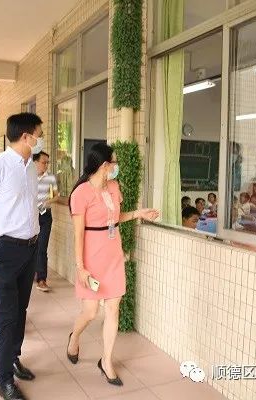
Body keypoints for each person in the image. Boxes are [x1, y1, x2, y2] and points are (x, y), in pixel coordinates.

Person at [66, 143, 158, 388]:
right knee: (90, 312)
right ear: (105, 165)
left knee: (113, 309)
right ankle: (74, 337)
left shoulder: (114, 186)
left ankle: (106, 361)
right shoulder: (81, 193)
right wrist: (80, 267)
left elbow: (115, 219)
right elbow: (78, 234)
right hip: (91, 257)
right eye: (114, 162)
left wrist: (138, 213)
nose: (116, 167)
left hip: (113, 255)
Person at [0, 112, 44, 400]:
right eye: (39, 134)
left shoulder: (31, 167)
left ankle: (13, 358)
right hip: (5, 249)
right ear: (26, 137)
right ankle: (3, 378)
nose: (41, 139)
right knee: (5, 315)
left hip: (30, 247)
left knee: (21, 309)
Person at [33, 151, 59, 292]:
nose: (46, 165)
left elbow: (56, 196)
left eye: (48, 162)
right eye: (44, 162)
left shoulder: (50, 178)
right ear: (36, 162)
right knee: (31, 247)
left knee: (42, 248)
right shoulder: (28, 176)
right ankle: (31, 273)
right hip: (30, 216)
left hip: (45, 216)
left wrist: (47, 201)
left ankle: (42, 279)